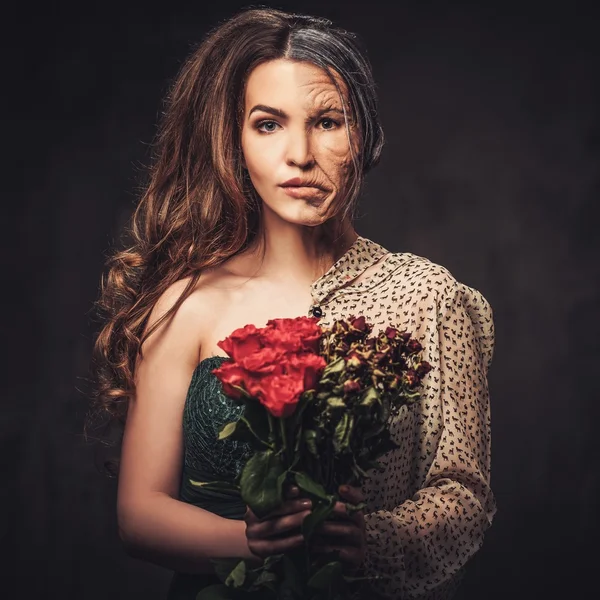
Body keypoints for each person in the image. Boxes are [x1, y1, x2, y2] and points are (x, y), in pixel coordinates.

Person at [88, 7, 497, 600]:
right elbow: (139, 515)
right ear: (234, 139)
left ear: (365, 136)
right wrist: (250, 543)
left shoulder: (429, 296)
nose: (300, 155)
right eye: (268, 124)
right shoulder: (188, 302)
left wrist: (371, 539)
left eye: (328, 121)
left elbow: (465, 492)